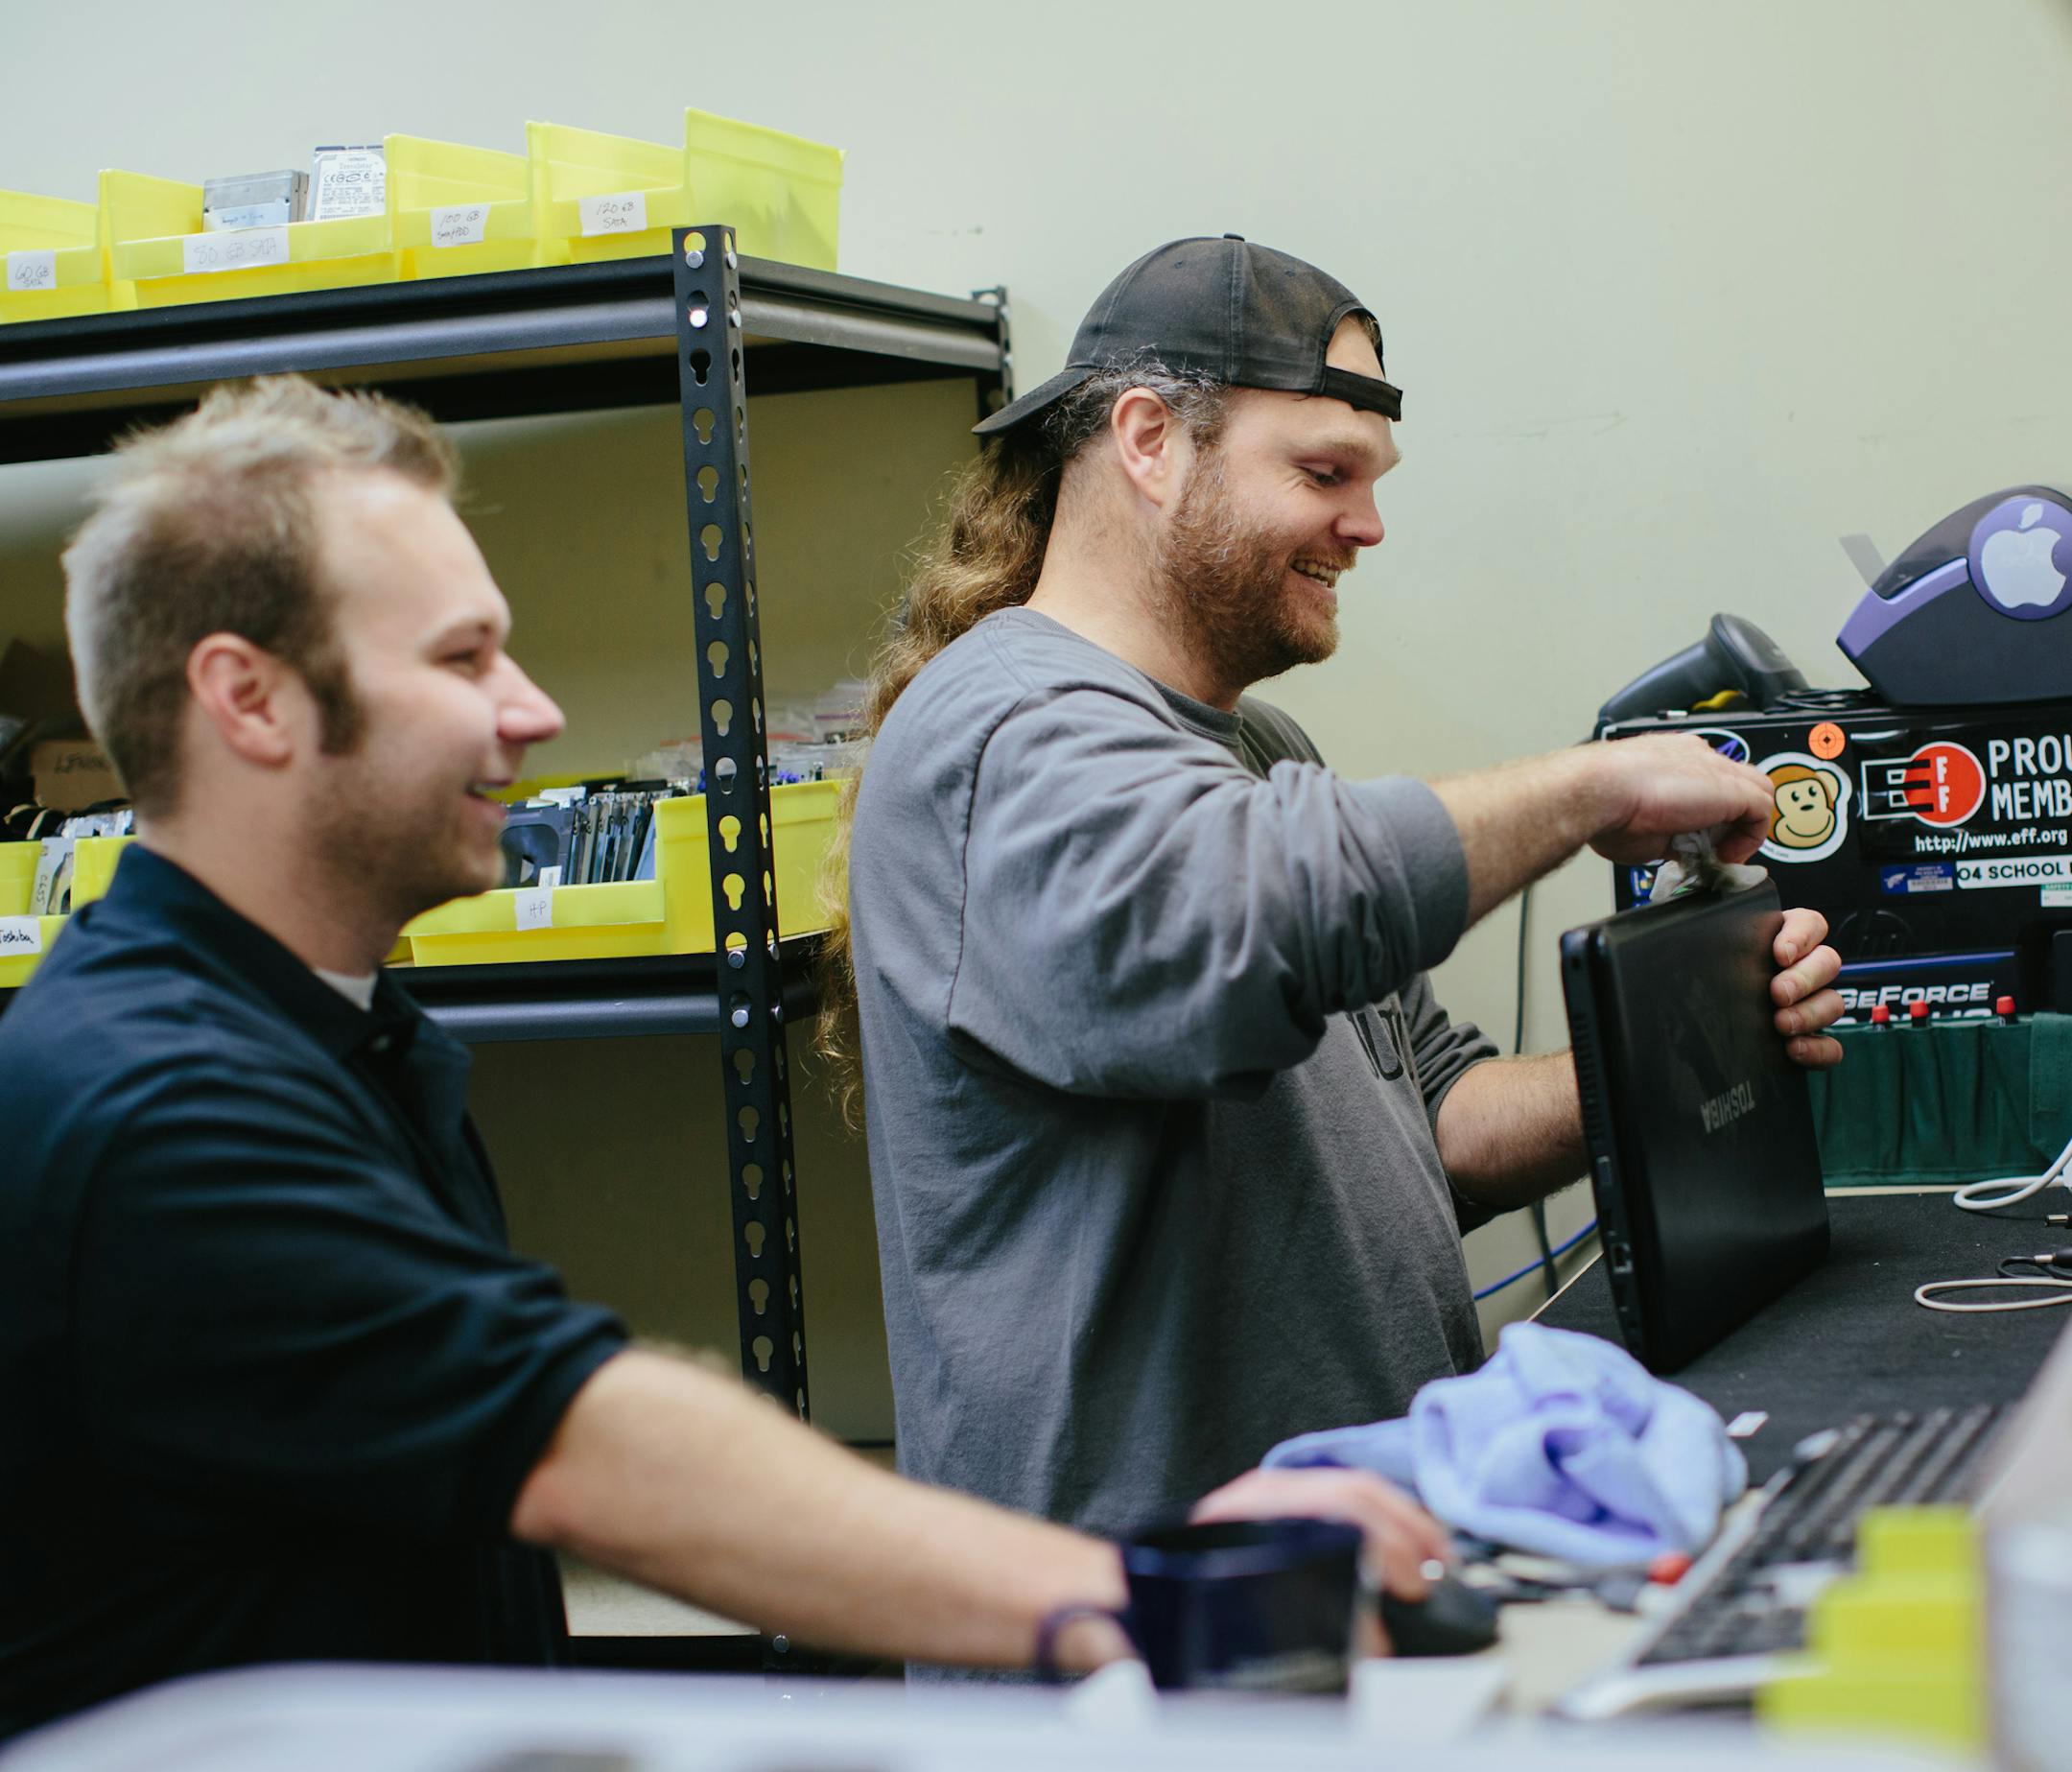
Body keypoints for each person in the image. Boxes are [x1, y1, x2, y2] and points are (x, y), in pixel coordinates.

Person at [0, 377, 1443, 1738]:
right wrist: (1130, 1597)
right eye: (461, 659)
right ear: (248, 699)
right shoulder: (157, 1107)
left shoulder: (334, 1034)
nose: (534, 711)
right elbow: (586, 1440)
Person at [825, 235, 1846, 1546]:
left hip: (1350, 1586)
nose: (1366, 526)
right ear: (1147, 439)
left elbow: (1431, 1124)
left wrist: (1693, 1039)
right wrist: (1593, 788)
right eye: (1323, 473)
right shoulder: (1001, 738)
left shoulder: (1253, 751)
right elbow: (1254, 921)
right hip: (1148, 1654)